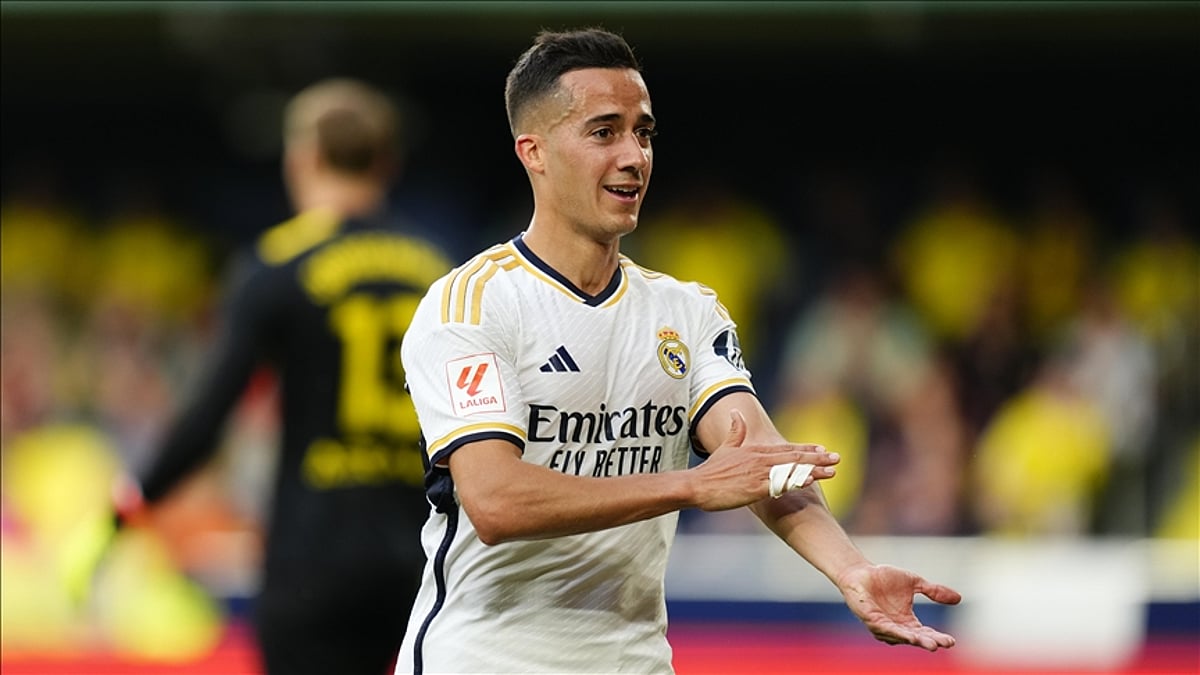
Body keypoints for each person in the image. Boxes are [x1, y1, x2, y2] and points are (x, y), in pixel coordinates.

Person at [395, 28, 961, 674]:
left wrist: (852, 569)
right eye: (604, 132)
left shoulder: (686, 312)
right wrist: (690, 484)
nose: (633, 156)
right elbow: (496, 501)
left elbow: (758, 463)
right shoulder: (470, 304)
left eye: (644, 132)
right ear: (535, 152)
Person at [107, 78, 455, 674]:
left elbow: (210, 413)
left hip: (313, 557)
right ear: (387, 163)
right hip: (419, 558)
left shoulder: (278, 265)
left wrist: (135, 497)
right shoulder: (440, 269)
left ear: (303, 158)